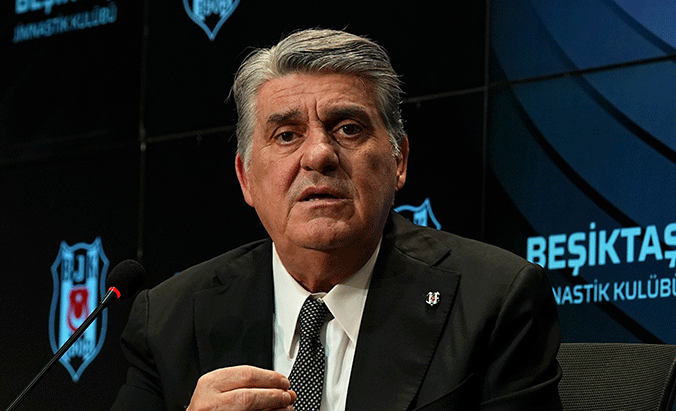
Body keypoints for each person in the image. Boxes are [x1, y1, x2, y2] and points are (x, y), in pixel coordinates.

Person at [111, 28, 562, 411]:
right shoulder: (167, 323)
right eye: (286, 135)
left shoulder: (493, 301)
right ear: (246, 178)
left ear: (399, 161)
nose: (319, 154)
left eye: (348, 128)